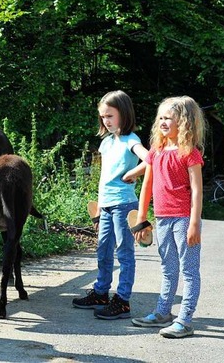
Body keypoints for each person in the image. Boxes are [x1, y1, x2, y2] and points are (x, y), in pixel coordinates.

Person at [131, 96, 206, 338]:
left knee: (189, 270)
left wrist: (194, 223)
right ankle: (163, 312)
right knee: (168, 268)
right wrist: (141, 218)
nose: (163, 122)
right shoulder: (156, 151)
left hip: (184, 218)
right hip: (162, 218)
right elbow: (147, 185)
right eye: (160, 117)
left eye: (169, 118)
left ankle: (184, 320)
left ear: (184, 122)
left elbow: (197, 190)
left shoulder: (190, 153)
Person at [72, 90, 148, 319]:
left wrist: (133, 173)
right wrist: (98, 208)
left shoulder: (131, 140)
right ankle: (101, 293)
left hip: (124, 205)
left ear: (124, 114)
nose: (106, 120)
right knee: (103, 250)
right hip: (106, 205)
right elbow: (104, 176)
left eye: (110, 116)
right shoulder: (106, 143)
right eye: (103, 117)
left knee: (124, 253)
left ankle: (123, 300)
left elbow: (151, 158)